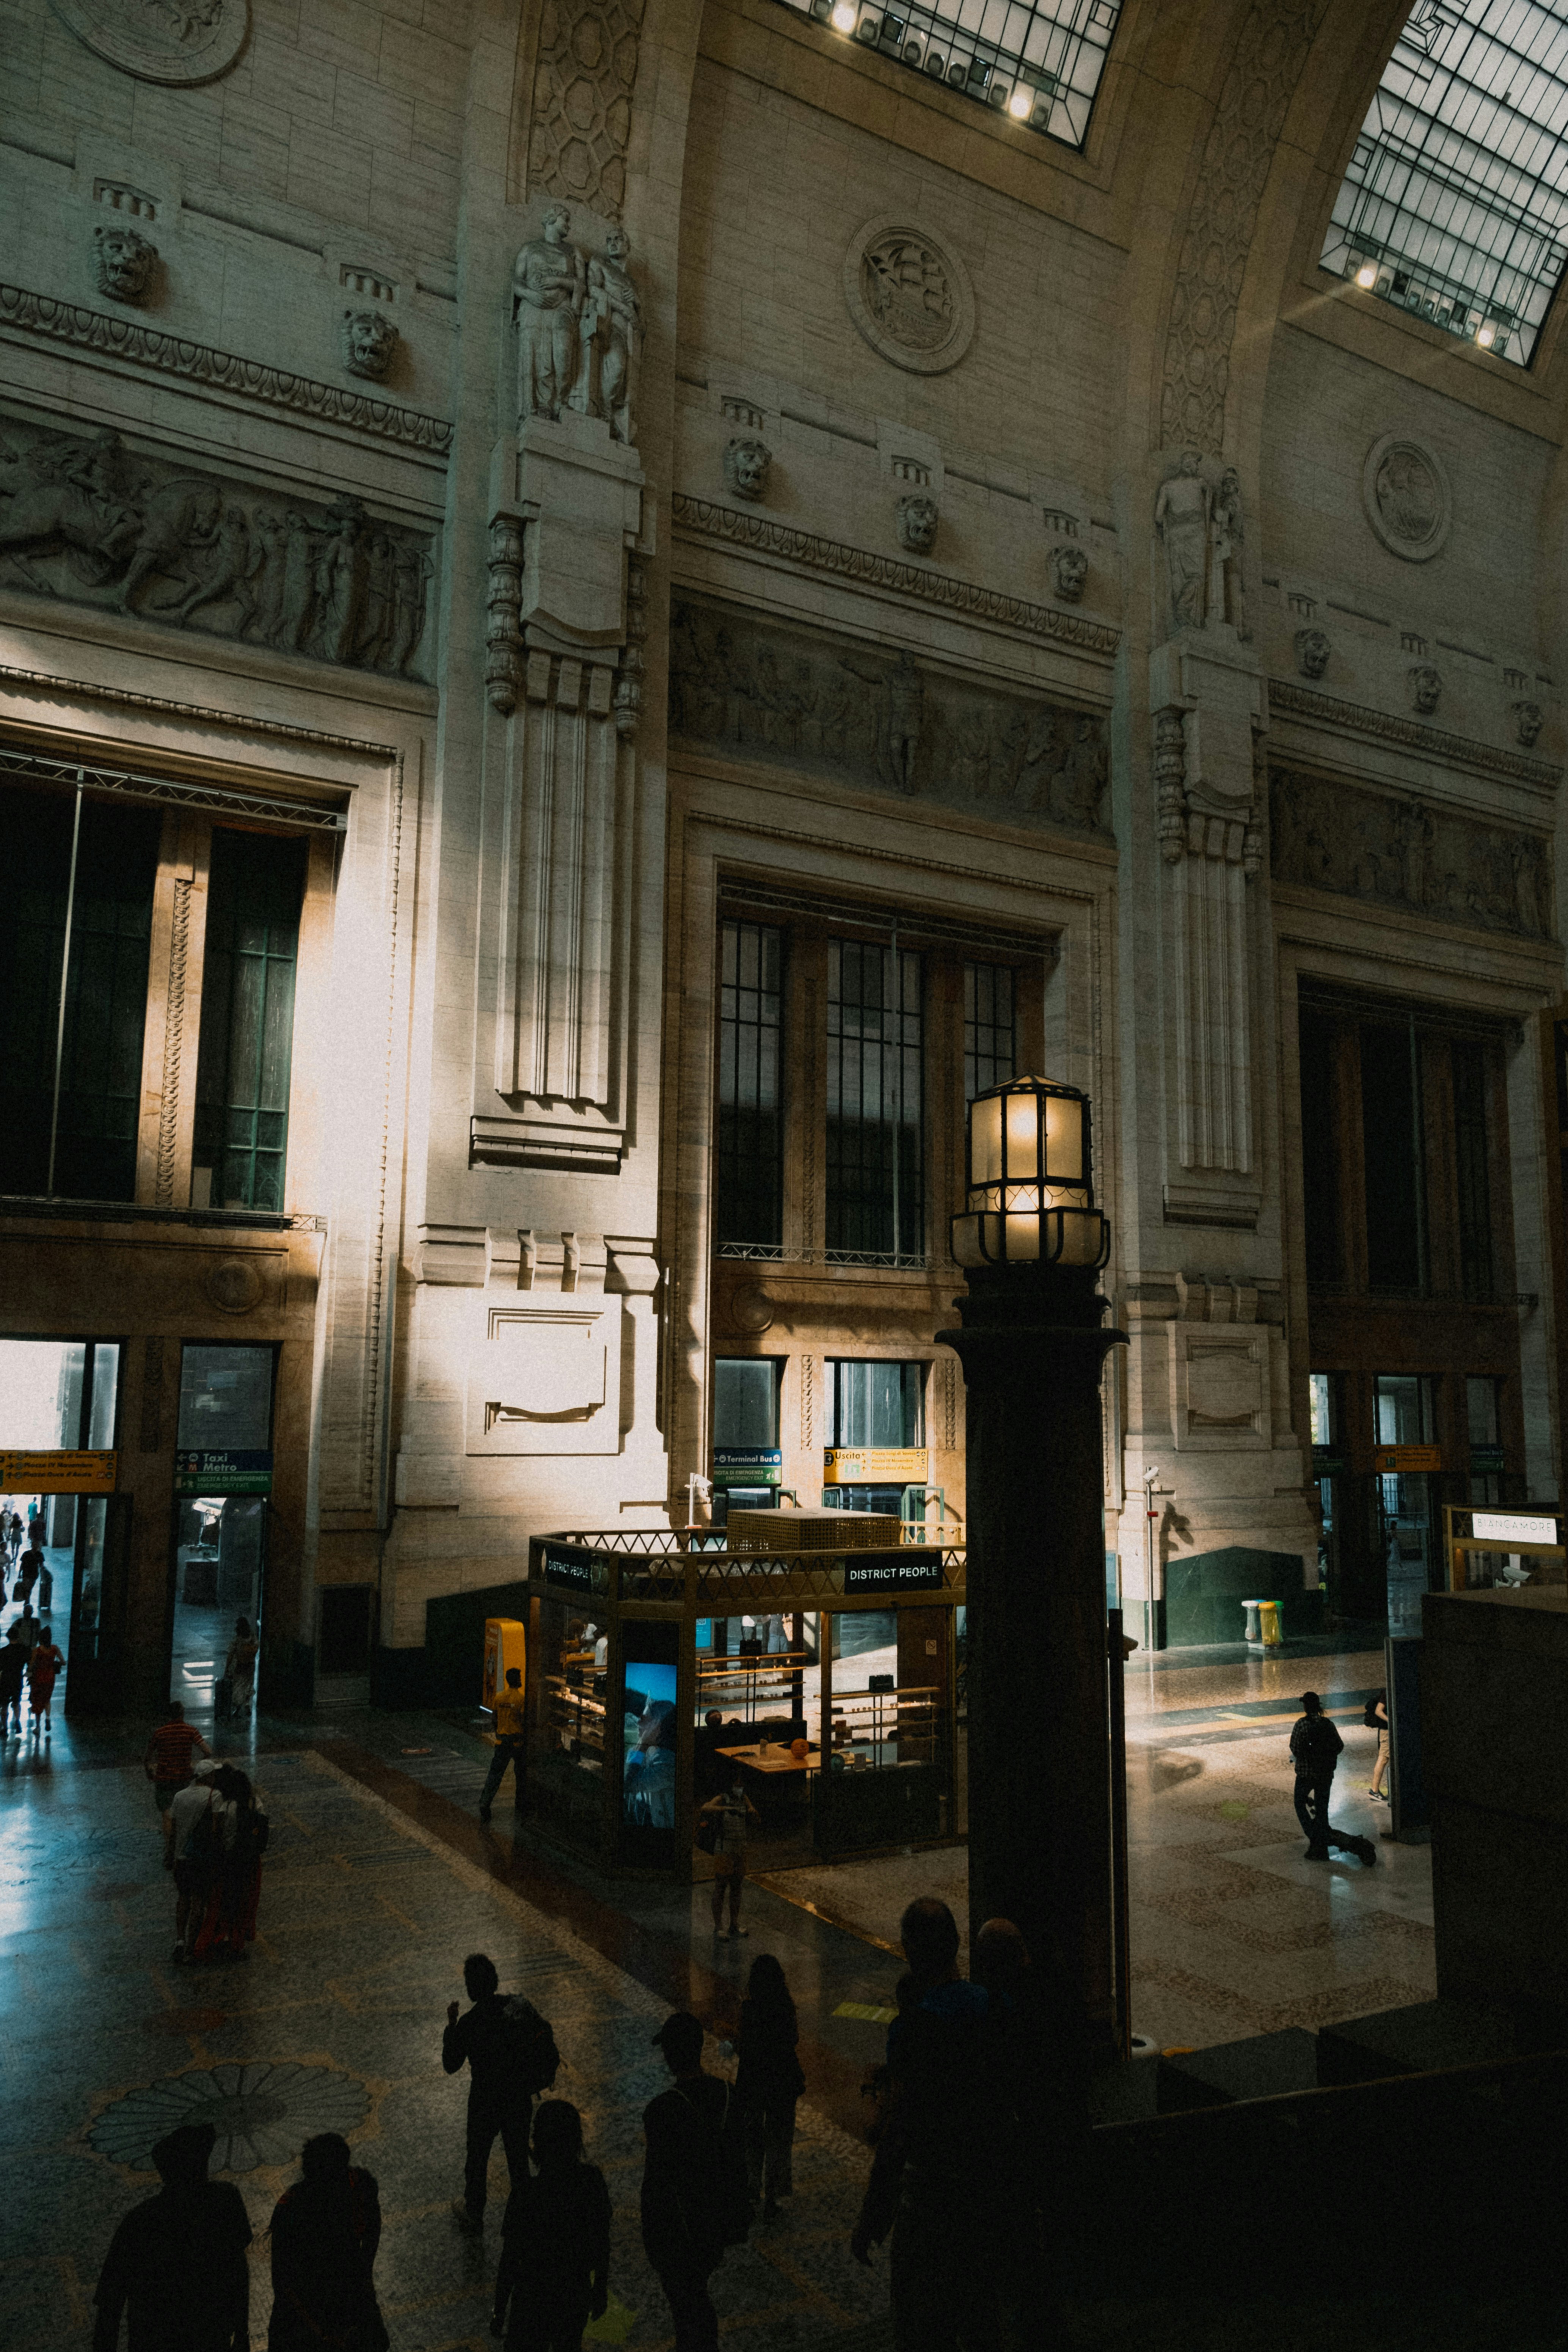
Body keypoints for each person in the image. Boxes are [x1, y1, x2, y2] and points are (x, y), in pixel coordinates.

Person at [850, 1897, 1024, 2352]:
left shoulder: (913, 2032)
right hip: (987, 2194)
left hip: (932, 2202)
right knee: (982, 2318)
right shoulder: (995, 2006)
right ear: (956, 1945)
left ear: (909, 1949)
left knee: (921, 2328)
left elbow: (899, 2130)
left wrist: (874, 2215)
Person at [92, 2118, 251, 2352]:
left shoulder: (140, 2221)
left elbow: (111, 2301)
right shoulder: (225, 2201)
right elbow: (238, 2270)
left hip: (155, 2340)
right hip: (211, 2337)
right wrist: (242, 2332)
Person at [641, 2011, 749, 2352]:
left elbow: (657, 2182)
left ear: (671, 2055)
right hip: (717, 2217)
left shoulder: (661, 2111)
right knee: (696, 2294)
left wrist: (652, 2235)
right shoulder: (728, 2096)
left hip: (680, 2226)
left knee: (686, 2302)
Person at [443, 1952, 560, 2234]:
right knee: (518, 2158)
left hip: (484, 2100)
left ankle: (474, 2212)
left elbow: (451, 2065)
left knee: (478, 2157)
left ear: (471, 1988)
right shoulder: (517, 2007)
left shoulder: (471, 2023)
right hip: (517, 2096)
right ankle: (525, 2213)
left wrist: (452, 2027)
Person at [492, 2100, 611, 2352]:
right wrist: (600, 2288)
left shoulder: (526, 2193)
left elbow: (510, 2258)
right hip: (574, 2292)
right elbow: (602, 2241)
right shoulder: (592, 2183)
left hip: (532, 2298)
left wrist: (499, 2310)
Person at [268, 2131, 388, 2352]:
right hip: (328, 2300)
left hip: (315, 2305)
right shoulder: (357, 2185)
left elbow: (282, 2281)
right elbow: (373, 2225)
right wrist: (365, 2271)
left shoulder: (291, 2207)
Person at [736, 1953, 804, 2219]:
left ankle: (751, 2189)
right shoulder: (785, 2009)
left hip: (753, 2080)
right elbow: (793, 2039)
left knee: (752, 2137)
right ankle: (773, 2196)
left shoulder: (749, 2010)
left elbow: (743, 2046)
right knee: (779, 2138)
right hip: (782, 2080)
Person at [192, 1764, 269, 1961]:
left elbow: (217, 1834)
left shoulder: (225, 1806)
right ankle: (237, 1942)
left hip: (226, 1861)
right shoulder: (254, 1803)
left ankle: (213, 1940)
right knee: (243, 1903)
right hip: (248, 1861)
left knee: (220, 1902)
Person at [1290, 1691, 1376, 1865]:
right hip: (1325, 1774)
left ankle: (1315, 1837)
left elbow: (1295, 1748)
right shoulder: (1328, 1724)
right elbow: (1339, 1746)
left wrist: (1308, 1757)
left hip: (1306, 1774)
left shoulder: (1301, 1725)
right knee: (1322, 1809)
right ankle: (1321, 1837)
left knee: (1300, 1803)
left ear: (1306, 1707)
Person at [166, 1758, 224, 1964]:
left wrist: (169, 1854)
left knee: (183, 1899)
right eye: (213, 1774)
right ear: (207, 1777)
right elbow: (217, 1829)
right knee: (199, 1901)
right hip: (202, 1858)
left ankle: (179, 1941)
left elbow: (173, 1830)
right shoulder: (214, 1796)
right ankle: (192, 1948)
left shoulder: (179, 1796)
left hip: (182, 1857)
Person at [699, 1773, 760, 1939]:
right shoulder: (722, 1799)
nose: (739, 1789)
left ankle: (734, 1923)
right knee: (721, 1886)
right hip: (724, 1847)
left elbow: (753, 1814)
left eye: (741, 1785)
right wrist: (726, 1809)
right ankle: (718, 1926)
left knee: (737, 1886)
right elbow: (706, 1808)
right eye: (736, 1785)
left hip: (740, 1847)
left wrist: (752, 1811)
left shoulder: (744, 1799)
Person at [144, 1700, 211, 1816]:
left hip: (164, 1777)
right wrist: (197, 1768)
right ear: (183, 1714)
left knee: (167, 1812)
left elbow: (147, 1757)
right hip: (184, 1777)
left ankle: (169, 1833)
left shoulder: (160, 1733)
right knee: (184, 1811)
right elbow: (208, 1751)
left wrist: (149, 1771)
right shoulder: (191, 1731)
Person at [480, 1665, 527, 1821]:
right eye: (520, 1678)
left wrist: (500, 1731)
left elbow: (495, 1719)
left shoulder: (499, 1698)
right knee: (521, 1775)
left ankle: (485, 1803)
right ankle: (520, 1805)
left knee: (495, 1775)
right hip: (517, 1743)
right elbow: (523, 1720)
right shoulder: (521, 1699)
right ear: (517, 1681)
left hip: (501, 1741)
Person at [625, 1698, 678, 1827]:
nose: (638, 1721)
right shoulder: (652, 1751)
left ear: (657, 1727)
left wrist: (642, 1743)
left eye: (643, 1719)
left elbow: (628, 1783)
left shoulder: (667, 1762)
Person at [27, 1623, 64, 1733]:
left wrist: (29, 1672)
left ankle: (38, 1727)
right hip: (50, 1677)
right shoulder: (55, 1649)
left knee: (37, 1701)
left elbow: (31, 1665)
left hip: (38, 1677)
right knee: (47, 1699)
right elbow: (63, 1662)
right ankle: (48, 1718)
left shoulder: (37, 1650)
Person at [220, 1617, 259, 1721]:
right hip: (250, 1665)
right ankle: (247, 1704)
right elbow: (256, 1647)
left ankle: (238, 1708)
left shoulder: (238, 1639)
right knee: (248, 1685)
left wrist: (227, 1669)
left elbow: (231, 1654)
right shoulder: (252, 1636)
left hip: (240, 1666)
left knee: (238, 1687)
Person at [0, 1621, 27, 1735]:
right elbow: (29, 1663)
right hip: (18, 1678)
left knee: (4, 1705)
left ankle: (5, 1728)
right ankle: (17, 1721)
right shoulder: (24, 1650)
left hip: (5, 1679)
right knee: (17, 1702)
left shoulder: (3, 1652)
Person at [1367, 1687, 1390, 1801]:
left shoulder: (1389, 1691)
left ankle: (1375, 1791)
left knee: (1384, 1759)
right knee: (1383, 1759)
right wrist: (1391, 1721)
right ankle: (1374, 1791)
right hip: (1386, 1731)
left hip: (1387, 1730)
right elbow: (1378, 1711)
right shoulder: (1388, 1692)